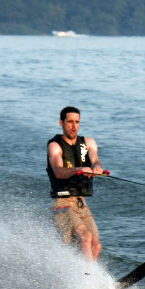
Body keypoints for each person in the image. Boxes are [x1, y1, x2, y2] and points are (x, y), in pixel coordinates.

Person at [47, 106, 104, 260]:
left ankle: (93, 276)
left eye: (77, 122)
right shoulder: (55, 145)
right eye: (70, 122)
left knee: (96, 245)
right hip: (63, 203)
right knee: (85, 237)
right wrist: (78, 169)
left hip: (81, 204)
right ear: (61, 123)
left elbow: (95, 160)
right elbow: (58, 171)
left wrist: (97, 168)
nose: (73, 126)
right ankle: (87, 278)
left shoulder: (88, 143)